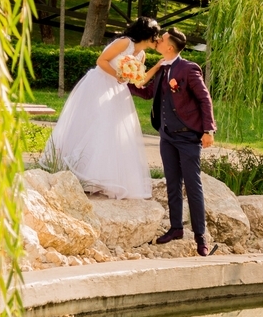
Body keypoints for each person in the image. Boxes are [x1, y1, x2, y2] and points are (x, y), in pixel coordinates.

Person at [43, 16, 160, 200]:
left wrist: (157, 66)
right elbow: (101, 61)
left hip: (118, 90)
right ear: (147, 34)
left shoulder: (142, 55)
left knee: (113, 131)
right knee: (96, 125)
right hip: (99, 84)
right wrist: (118, 75)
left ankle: (103, 178)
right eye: (156, 35)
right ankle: (80, 170)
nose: (157, 39)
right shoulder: (124, 43)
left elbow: (139, 80)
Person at [128, 27, 217, 256]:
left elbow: (204, 99)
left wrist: (208, 130)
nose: (157, 40)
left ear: (169, 47)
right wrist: (126, 81)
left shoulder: (188, 68)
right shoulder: (162, 68)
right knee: (172, 183)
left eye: (162, 39)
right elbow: (148, 93)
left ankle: (200, 237)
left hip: (187, 137)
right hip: (166, 136)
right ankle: (176, 228)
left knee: (193, 185)